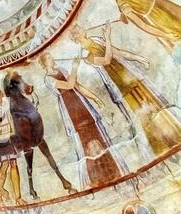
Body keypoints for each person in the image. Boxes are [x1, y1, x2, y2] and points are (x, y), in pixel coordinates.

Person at [70, 23, 181, 157]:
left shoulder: (97, 40)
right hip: (120, 84)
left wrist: (140, 59)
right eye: (78, 30)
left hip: (129, 75)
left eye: (80, 27)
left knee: (155, 105)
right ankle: (163, 148)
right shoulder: (85, 54)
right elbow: (106, 60)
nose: (82, 29)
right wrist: (108, 38)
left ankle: (177, 135)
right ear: (76, 37)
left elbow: (118, 52)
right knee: (144, 116)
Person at [40, 52, 127, 189]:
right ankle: (98, 180)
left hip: (83, 107)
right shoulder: (48, 80)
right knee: (86, 146)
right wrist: (75, 67)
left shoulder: (62, 70)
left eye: (51, 56)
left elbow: (77, 86)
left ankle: (114, 173)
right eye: (48, 58)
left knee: (100, 140)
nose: (52, 58)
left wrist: (95, 98)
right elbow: (69, 85)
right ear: (43, 63)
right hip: (72, 112)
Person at [102, 0, 181, 51]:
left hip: (165, 6)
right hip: (157, 20)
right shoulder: (121, 2)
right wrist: (166, 35)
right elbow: (143, 25)